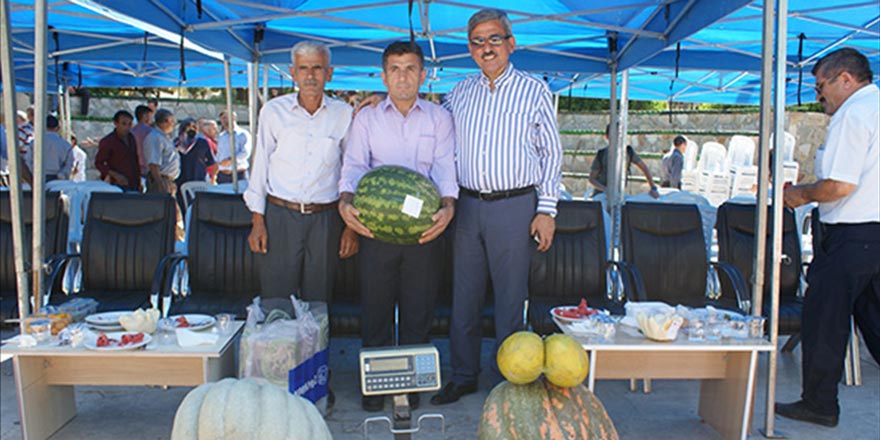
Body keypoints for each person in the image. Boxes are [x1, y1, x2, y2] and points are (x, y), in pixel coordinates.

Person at [430, 8, 563, 405]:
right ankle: (463, 374)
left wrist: (547, 210)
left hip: (515, 207)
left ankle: (509, 379)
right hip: (468, 206)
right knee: (464, 295)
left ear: (510, 43)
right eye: (477, 41)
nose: (485, 48)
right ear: (469, 49)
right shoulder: (458, 94)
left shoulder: (534, 90)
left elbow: (552, 154)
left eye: (493, 39)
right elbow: (428, 124)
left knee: (509, 298)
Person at [338, 41, 457, 412]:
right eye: (395, 69)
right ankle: (374, 385)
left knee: (418, 311)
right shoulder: (367, 118)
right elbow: (355, 166)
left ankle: (411, 384)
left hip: (425, 229)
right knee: (374, 309)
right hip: (377, 228)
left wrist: (449, 206)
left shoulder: (439, 118)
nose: (402, 76)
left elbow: (444, 168)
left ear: (423, 75)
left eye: (410, 69)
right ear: (383, 75)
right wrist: (345, 202)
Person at [778, 48, 879, 428]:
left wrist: (800, 194)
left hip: (852, 234)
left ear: (845, 79)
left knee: (824, 321)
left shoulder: (854, 114)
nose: (820, 97)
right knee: (875, 320)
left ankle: (819, 403)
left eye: (822, 87)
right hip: (876, 232)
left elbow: (839, 185)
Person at [243, 40, 358, 305]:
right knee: (276, 301)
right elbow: (259, 167)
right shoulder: (273, 111)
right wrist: (257, 221)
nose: (310, 75)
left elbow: (352, 172)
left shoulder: (345, 114)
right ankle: (277, 348)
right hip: (280, 216)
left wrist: (351, 228)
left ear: (329, 73)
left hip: (326, 219)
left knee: (319, 301)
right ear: (292, 73)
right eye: (303, 68)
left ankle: (317, 349)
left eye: (317, 68)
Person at [144, 108, 184, 240]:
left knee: (174, 217)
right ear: (165, 121)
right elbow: (153, 163)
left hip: (169, 182)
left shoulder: (164, 138)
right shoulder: (154, 137)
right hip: (161, 181)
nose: (174, 124)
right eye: (172, 121)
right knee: (167, 217)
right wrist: (160, 184)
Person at [589, 124, 659, 198]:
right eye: (613, 135)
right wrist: (605, 189)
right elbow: (592, 179)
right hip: (601, 195)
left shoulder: (628, 152)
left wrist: (653, 188)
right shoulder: (601, 154)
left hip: (619, 195)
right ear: (607, 137)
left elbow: (644, 168)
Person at [95, 110, 142, 191]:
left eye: (129, 124)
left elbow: (135, 159)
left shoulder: (131, 138)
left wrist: (139, 180)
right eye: (123, 124)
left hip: (133, 182)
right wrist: (115, 175)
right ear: (116, 123)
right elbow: (99, 163)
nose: (127, 127)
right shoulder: (108, 141)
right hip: (116, 184)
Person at [23, 115, 74, 182]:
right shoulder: (66, 145)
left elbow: (28, 161)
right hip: (57, 178)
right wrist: (62, 175)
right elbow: (69, 164)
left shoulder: (34, 143)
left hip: (38, 177)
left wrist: (33, 174)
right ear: (57, 128)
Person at [177, 118, 218, 186]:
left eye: (194, 127)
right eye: (188, 126)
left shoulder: (202, 142)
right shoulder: (177, 143)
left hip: (198, 178)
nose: (191, 129)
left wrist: (201, 164)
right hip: (181, 179)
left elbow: (211, 161)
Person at [216, 110, 251, 184]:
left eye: (226, 118)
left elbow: (245, 153)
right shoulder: (222, 136)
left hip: (238, 174)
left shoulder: (242, 134)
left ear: (234, 118)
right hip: (223, 175)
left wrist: (229, 160)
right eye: (222, 118)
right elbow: (219, 154)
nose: (224, 121)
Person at [131, 105, 154, 176]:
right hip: (147, 167)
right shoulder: (151, 132)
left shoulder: (131, 131)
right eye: (150, 116)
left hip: (133, 166)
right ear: (145, 116)